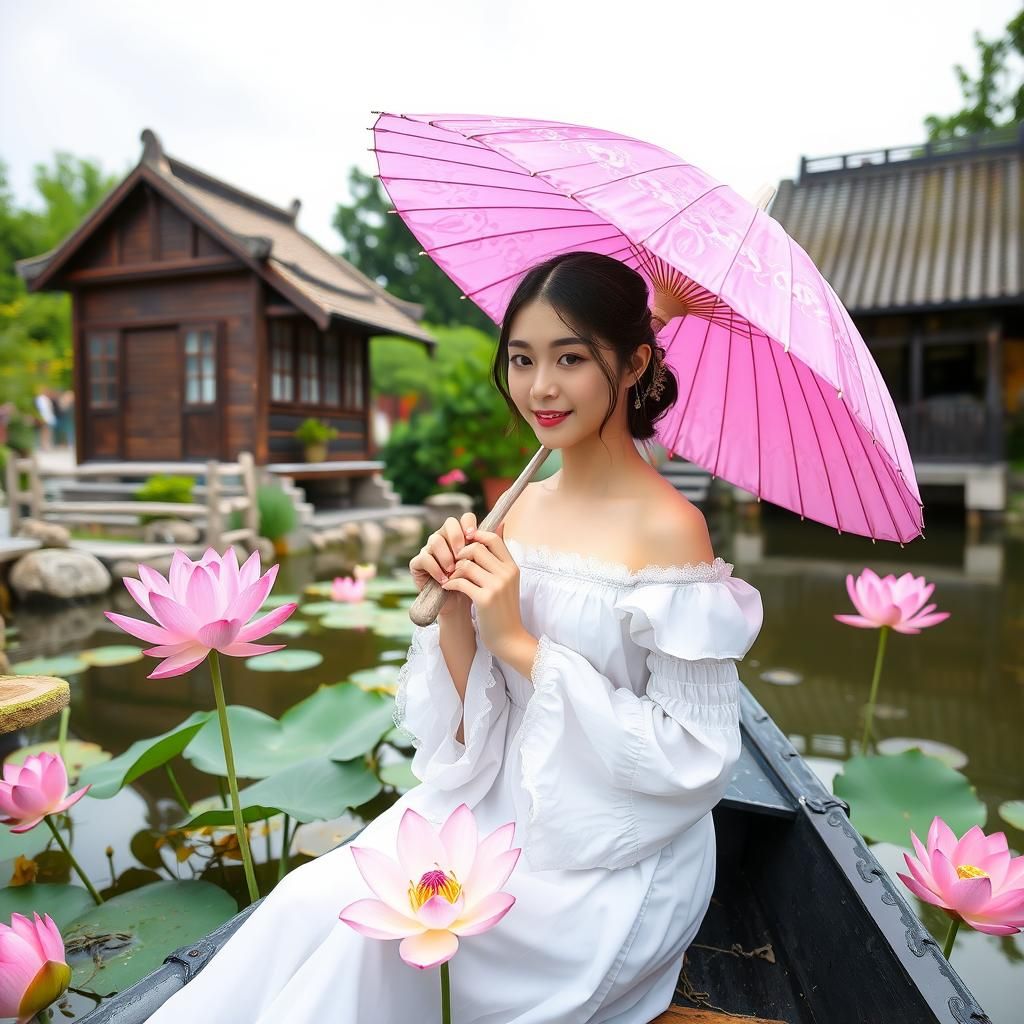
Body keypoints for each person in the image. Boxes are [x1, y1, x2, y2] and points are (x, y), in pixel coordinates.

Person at [145, 251, 764, 1023]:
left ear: (635, 362)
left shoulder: (673, 531)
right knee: (310, 901)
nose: (540, 387)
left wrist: (520, 644)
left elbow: (693, 761)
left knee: (377, 946)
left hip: (611, 857)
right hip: (492, 812)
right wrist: (456, 618)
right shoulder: (521, 507)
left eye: (571, 359)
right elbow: (476, 737)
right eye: (523, 358)